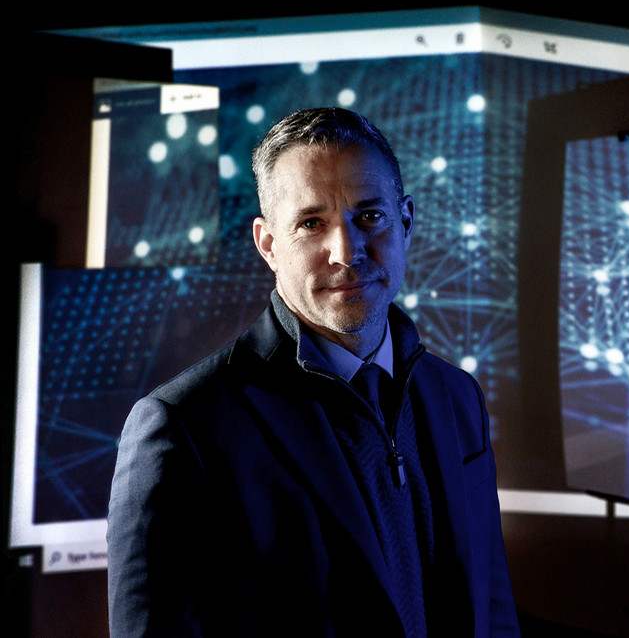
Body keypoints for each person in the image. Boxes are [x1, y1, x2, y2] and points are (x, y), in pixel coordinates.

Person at [107, 108, 520, 636]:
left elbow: (490, 604)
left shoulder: (457, 396)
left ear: (407, 222)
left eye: (369, 216)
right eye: (311, 223)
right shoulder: (183, 428)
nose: (347, 253)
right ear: (268, 244)